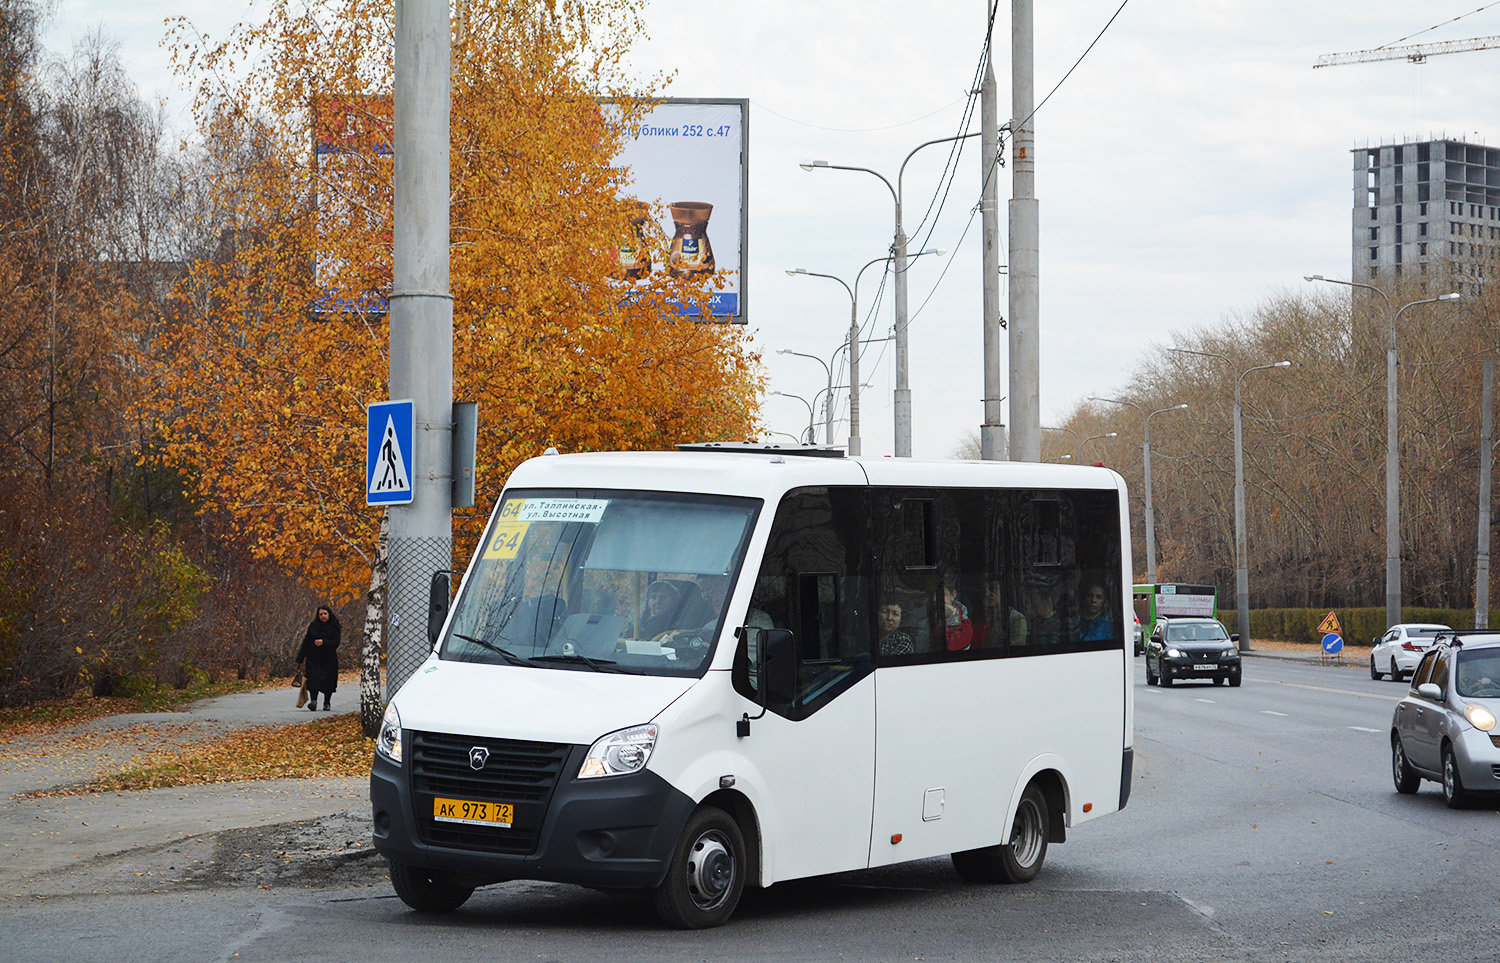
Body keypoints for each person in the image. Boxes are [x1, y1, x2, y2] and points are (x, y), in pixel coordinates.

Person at [296, 605, 341, 712]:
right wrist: (299, 660)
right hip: (313, 658)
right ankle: (313, 701)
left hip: (329, 659)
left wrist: (323, 642)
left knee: (329, 681)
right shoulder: (313, 626)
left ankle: (327, 702)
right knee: (313, 679)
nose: (323, 616)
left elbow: (336, 643)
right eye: (320, 614)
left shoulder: (335, 626)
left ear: (329, 614)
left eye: (325, 614)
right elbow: (306, 642)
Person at [942, 581, 974, 651]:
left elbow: (954, 645)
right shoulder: (928, 615)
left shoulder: (964, 620)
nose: (934, 599)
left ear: (953, 595)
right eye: (931, 595)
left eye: (942, 595)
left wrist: (951, 617)